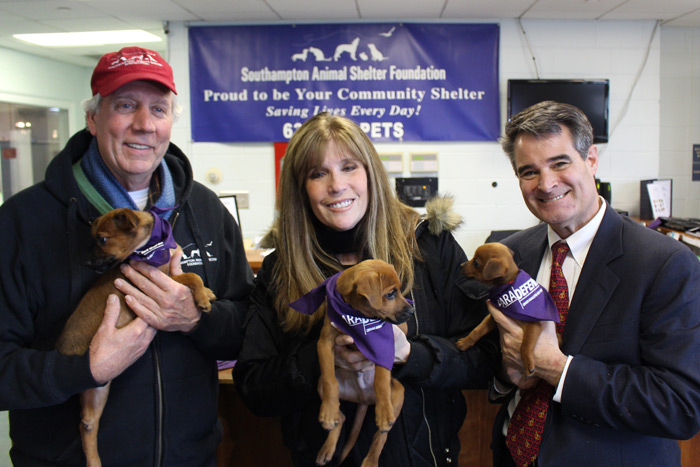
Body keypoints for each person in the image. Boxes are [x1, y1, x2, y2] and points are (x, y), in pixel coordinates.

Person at [0, 46, 254, 465]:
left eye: (158, 109)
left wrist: (196, 319)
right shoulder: (22, 223)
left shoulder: (206, 211)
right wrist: (85, 369)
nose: (144, 125)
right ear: (92, 117)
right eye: (125, 105)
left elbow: (249, 327)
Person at [233, 112, 499, 466]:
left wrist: (411, 355)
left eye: (349, 167)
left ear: (371, 173)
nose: (337, 185)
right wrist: (321, 357)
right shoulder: (280, 269)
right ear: (301, 189)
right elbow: (254, 388)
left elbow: (486, 361)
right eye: (317, 173)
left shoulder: (431, 247)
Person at [489, 100, 700, 466]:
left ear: (591, 160)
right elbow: (496, 361)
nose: (546, 183)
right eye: (529, 171)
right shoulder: (512, 254)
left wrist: (554, 367)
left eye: (560, 163)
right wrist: (506, 378)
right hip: (512, 454)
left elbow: (679, 404)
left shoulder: (665, 263)